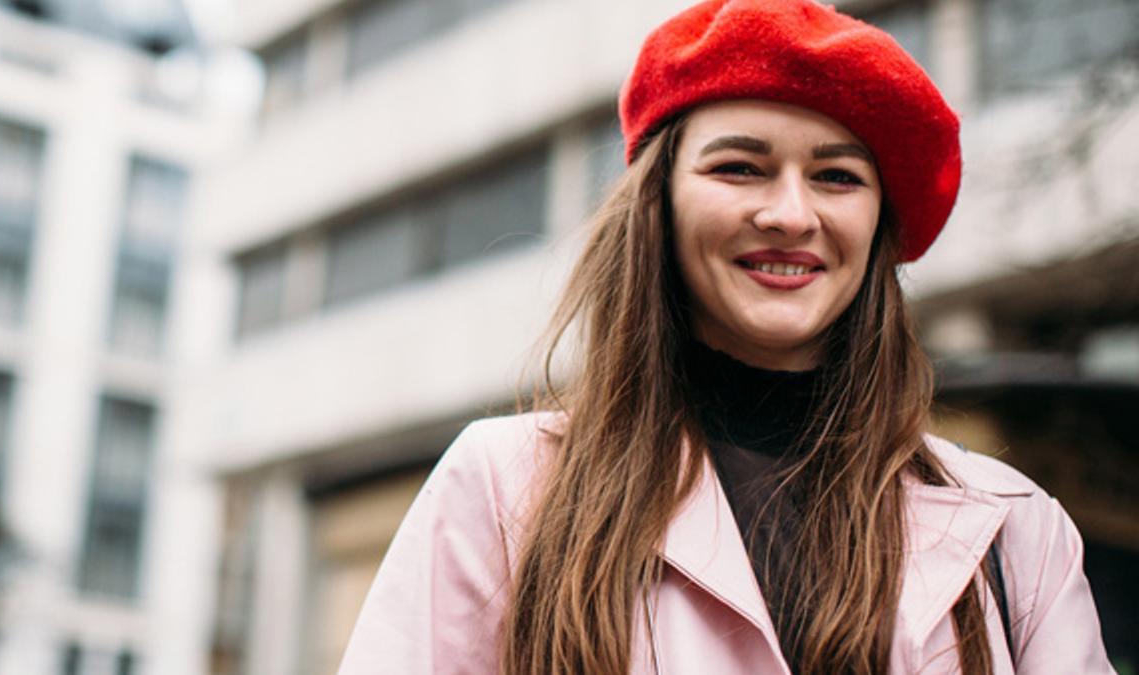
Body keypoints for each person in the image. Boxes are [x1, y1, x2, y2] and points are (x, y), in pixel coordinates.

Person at [336, 1, 1115, 673]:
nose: (789, 213)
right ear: (659, 206)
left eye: (837, 176)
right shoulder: (504, 491)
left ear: (879, 224)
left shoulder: (1016, 530)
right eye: (740, 167)